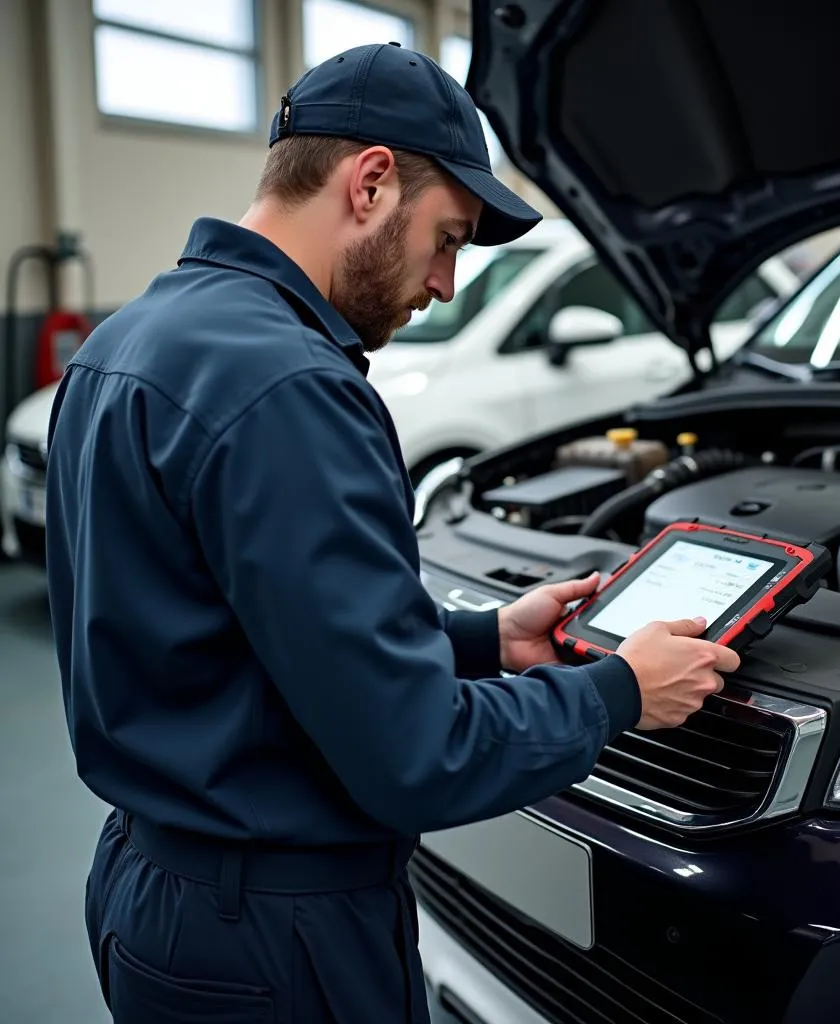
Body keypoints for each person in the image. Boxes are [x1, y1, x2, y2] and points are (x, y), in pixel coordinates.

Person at [45, 42, 741, 1023]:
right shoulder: (289, 387)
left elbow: (218, 626)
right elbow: (414, 755)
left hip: (153, 886)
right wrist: (618, 690)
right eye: (448, 238)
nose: (447, 283)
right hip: (275, 936)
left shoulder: (136, 338)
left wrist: (482, 639)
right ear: (370, 183)